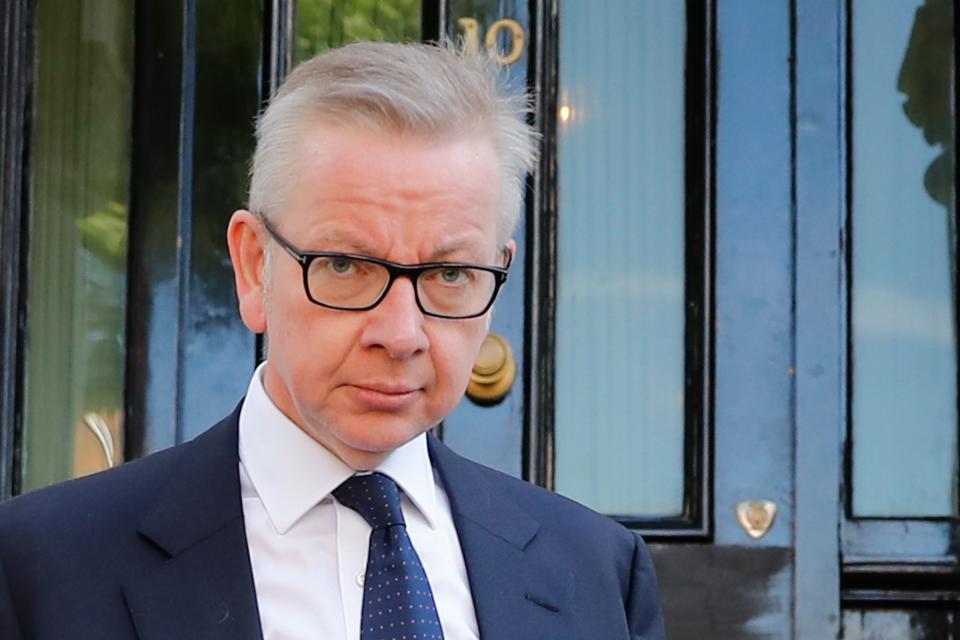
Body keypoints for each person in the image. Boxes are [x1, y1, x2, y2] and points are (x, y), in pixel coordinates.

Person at [0, 41, 666, 639]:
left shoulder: (597, 568)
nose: (401, 334)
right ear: (254, 266)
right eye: (346, 266)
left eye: (451, 274)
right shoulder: (42, 566)